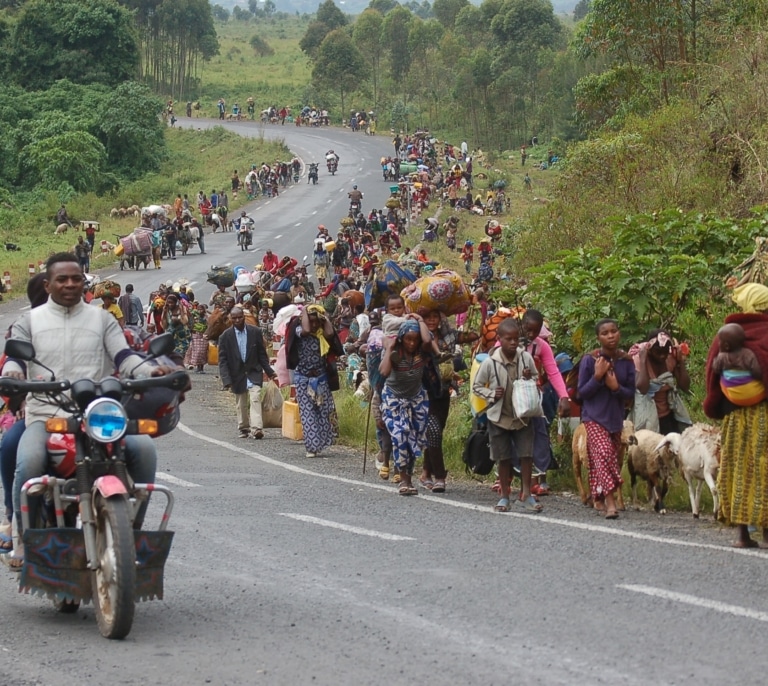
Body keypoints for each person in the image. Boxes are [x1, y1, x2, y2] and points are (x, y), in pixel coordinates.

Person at [2, 253, 170, 569]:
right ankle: (24, 541)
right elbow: (14, 358)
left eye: (76, 278)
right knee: (28, 464)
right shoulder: (28, 322)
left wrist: (150, 371)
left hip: (99, 414)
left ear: (84, 282)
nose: (69, 284)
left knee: (144, 450)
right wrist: (13, 372)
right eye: (62, 279)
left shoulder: (102, 319)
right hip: (45, 416)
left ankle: (131, 529)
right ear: (48, 284)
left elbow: (124, 356)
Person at [704, 283, 768, 547]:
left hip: (734, 416)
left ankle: (742, 534)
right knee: (764, 468)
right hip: (764, 414)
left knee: (737, 468)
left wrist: (714, 405)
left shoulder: (725, 336)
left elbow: (712, 375)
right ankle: (766, 532)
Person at [472, 318, 541, 513]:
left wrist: (529, 377)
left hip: (522, 415)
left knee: (526, 455)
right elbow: (477, 386)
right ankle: (504, 495)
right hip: (499, 416)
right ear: (499, 339)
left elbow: (537, 377)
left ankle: (526, 494)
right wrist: (492, 394)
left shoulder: (525, 358)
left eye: (516, 339)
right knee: (503, 457)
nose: (513, 343)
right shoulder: (490, 363)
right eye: (508, 339)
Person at [577, 318, 636, 520]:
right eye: (605, 333)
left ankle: (598, 497)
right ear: (598, 338)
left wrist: (615, 387)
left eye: (614, 331)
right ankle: (611, 503)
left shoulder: (626, 362)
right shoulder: (590, 360)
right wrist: (597, 377)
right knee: (603, 453)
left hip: (615, 418)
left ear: (619, 333)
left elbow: (630, 394)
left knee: (606, 459)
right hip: (593, 417)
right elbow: (582, 393)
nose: (610, 336)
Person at [379, 318, 432, 495]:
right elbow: (384, 372)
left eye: (414, 339)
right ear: (401, 338)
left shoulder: (422, 352)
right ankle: (403, 480)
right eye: (408, 339)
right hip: (394, 399)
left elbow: (427, 340)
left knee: (414, 440)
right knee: (400, 435)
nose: (411, 343)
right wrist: (389, 348)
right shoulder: (394, 352)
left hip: (416, 399)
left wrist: (420, 320)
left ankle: (409, 476)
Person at [286, 304, 342, 457]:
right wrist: (304, 310)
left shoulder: (322, 333)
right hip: (303, 379)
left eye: (317, 322)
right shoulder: (299, 331)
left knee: (323, 411)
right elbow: (305, 330)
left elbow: (330, 333)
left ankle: (322, 442)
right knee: (307, 412)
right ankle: (312, 447)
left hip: (321, 378)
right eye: (311, 321)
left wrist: (323, 317)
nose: (314, 325)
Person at [218, 306, 277, 439]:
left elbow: (262, 354)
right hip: (237, 374)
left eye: (240, 317)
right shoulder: (225, 337)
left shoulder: (255, 332)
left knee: (255, 397)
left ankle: (256, 429)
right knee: (241, 403)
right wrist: (226, 380)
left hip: (253, 371)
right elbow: (223, 361)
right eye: (234, 318)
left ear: (244, 317)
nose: (237, 320)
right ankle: (244, 427)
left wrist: (269, 371)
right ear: (230, 319)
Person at [629, 329, 691, 435]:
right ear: (649, 349)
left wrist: (680, 360)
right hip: (646, 417)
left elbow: (684, 386)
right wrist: (643, 360)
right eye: (658, 352)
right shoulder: (639, 359)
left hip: (668, 416)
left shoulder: (670, 358)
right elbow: (643, 388)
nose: (662, 356)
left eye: (665, 352)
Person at [711, 323, 765, 405]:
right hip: (755, 395)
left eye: (719, 342)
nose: (718, 344)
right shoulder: (748, 354)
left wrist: (720, 353)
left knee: (722, 377)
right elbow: (757, 373)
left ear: (726, 346)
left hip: (734, 397)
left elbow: (716, 369)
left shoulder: (722, 357)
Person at [162, 292, 191, 357]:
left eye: (172, 303)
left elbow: (185, 322)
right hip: (171, 338)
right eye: (168, 303)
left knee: (179, 356)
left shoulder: (182, 308)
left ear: (176, 302)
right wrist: (164, 312)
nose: (170, 304)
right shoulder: (166, 310)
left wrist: (179, 317)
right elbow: (164, 326)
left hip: (181, 338)